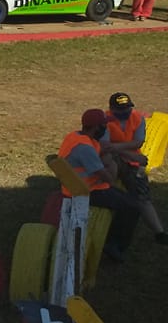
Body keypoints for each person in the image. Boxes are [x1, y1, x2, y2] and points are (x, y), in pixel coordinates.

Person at [58, 108, 140, 260]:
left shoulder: (75, 137)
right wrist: (112, 164)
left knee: (127, 200)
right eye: (104, 126)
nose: (106, 128)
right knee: (132, 207)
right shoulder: (85, 149)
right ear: (97, 128)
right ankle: (114, 245)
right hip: (87, 190)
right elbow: (109, 178)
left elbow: (100, 152)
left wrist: (109, 156)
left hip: (76, 185)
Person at [101, 91, 168, 245]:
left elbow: (138, 143)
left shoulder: (138, 118)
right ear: (111, 108)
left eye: (127, 108)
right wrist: (129, 153)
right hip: (118, 158)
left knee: (142, 196)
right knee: (108, 165)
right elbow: (104, 147)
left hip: (132, 162)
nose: (125, 112)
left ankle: (160, 233)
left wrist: (116, 147)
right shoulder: (104, 121)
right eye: (120, 110)